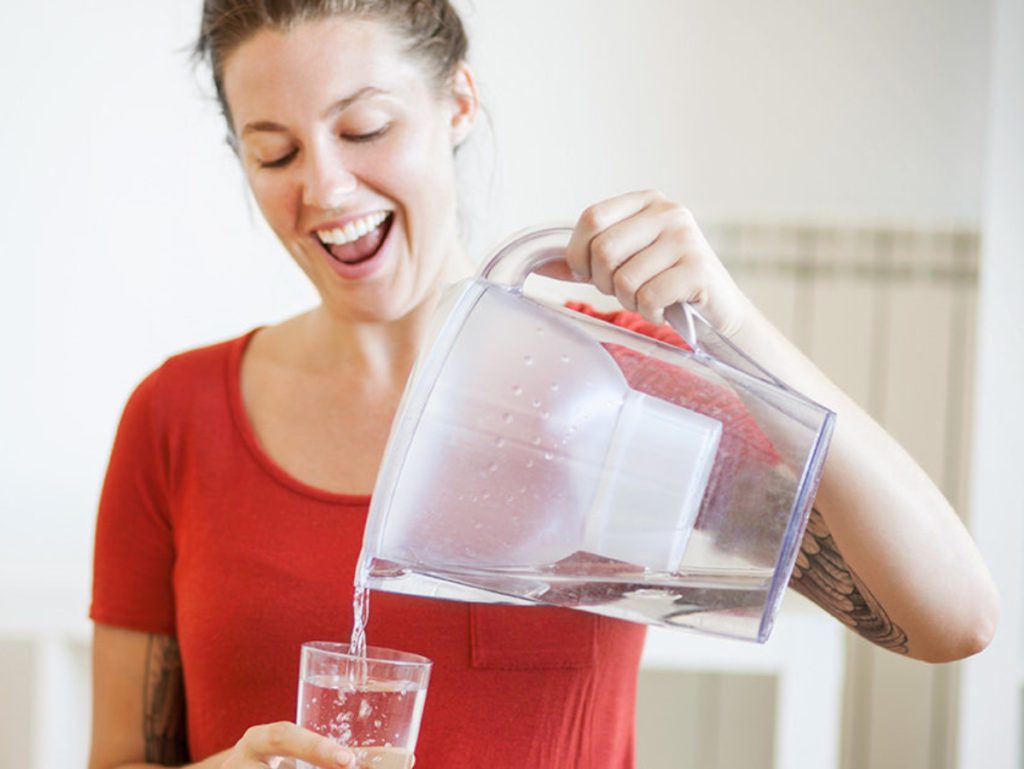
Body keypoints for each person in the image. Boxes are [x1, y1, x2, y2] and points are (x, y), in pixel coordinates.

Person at [87, 2, 999, 768]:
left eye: (365, 128)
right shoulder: (178, 417)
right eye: (275, 152)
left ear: (457, 103)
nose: (325, 189)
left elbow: (952, 617)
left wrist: (732, 323)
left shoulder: (614, 391)